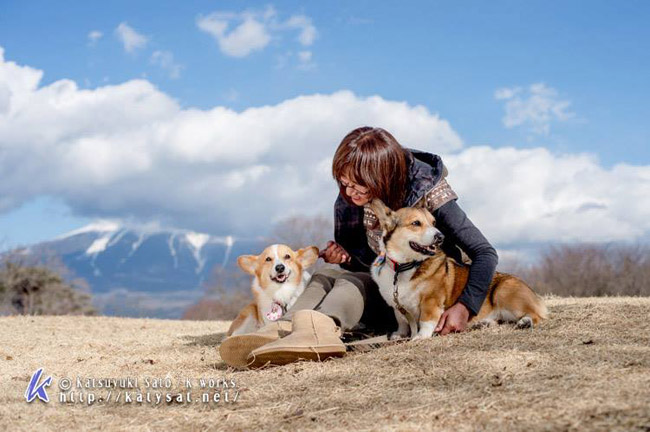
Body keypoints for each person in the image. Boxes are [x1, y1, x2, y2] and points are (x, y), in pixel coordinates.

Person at [219, 126, 498, 368]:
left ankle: (320, 332)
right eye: (343, 183)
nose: (349, 192)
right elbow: (372, 266)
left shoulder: (428, 188)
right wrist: (345, 258)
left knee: (349, 283)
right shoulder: (349, 202)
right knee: (325, 275)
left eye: (358, 185)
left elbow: (484, 254)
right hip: (388, 288)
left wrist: (465, 307)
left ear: (382, 176)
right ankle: (281, 329)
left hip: (424, 295)